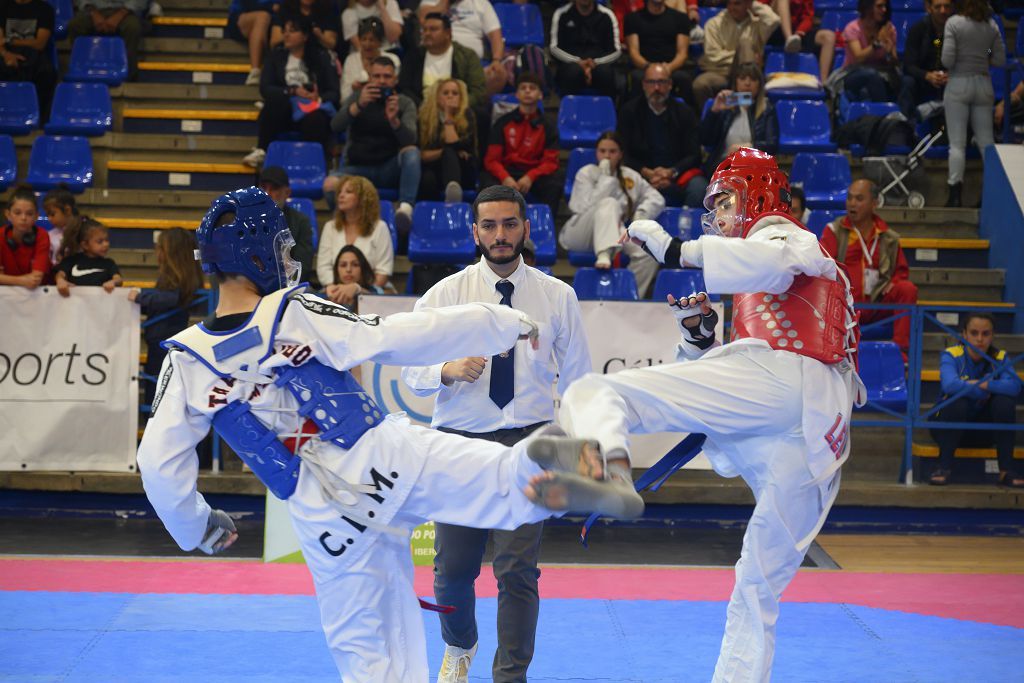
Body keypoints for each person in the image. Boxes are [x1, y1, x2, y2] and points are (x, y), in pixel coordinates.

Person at [136, 185, 638, 682]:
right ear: (258, 254)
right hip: (384, 455)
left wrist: (197, 526)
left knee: (368, 654)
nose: (286, 259)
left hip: (327, 516)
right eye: (280, 249)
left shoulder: (184, 362)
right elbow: (396, 336)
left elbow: (159, 466)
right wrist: (498, 321)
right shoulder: (296, 312)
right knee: (497, 478)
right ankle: (537, 464)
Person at [534, 147, 861, 683]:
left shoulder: (788, 237)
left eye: (727, 201)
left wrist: (676, 248)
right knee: (756, 585)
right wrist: (699, 339)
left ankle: (611, 466)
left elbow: (772, 266)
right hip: (811, 434)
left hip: (786, 386)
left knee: (597, 393)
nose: (720, 216)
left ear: (760, 195)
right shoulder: (768, 269)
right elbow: (732, 364)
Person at [401, 185, 593, 683]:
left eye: (510, 224)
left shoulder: (558, 297)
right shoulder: (445, 296)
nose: (500, 234)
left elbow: (578, 381)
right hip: (458, 444)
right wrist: (445, 369)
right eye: (489, 225)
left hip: (529, 443)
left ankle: (511, 675)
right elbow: (408, 369)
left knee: (518, 572)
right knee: (452, 575)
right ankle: (460, 645)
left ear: (526, 228)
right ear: (475, 232)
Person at [819, 178, 917, 357]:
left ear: (874, 204)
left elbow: (901, 272)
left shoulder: (888, 237)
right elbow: (823, 268)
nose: (852, 203)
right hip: (845, 304)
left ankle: (901, 355)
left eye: (859, 199)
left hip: (878, 303)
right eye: (849, 198)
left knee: (907, 289)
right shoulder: (833, 231)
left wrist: (894, 282)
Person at [560, 131, 665, 295]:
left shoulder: (630, 176)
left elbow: (657, 199)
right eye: (602, 151)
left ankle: (627, 295)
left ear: (621, 154)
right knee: (609, 203)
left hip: (614, 230)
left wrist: (640, 216)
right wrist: (605, 177)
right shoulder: (586, 173)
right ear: (596, 153)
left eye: (612, 151)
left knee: (649, 253)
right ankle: (604, 253)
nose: (607, 156)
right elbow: (582, 208)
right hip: (581, 231)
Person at [326, 57, 420, 234]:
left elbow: (411, 139)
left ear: (395, 79)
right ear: (369, 77)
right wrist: (358, 105)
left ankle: (405, 209)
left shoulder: (404, 102)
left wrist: (394, 121)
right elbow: (335, 126)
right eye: (377, 76)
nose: (382, 81)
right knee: (330, 184)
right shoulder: (357, 98)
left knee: (412, 153)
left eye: (387, 76)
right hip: (357, 170)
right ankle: (346, 220)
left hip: (389, 168)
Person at [929, 312, 1023, 487]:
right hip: (947, 427)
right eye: (974, 333)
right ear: (964, 334)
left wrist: (985, 385)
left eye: (986, 334)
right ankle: (943, 467)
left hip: (984, 432)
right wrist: (985, 388)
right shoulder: (951, 354)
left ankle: (1006, 472)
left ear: (992, 335)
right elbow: (950, 385)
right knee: (958, 401)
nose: (980, 339)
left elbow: (1015, 387)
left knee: (1005, 402)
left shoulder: (1000, 357)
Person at [246, 16, 340, 167]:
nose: (286, 35)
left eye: (293, 31)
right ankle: (262, 150)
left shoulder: (321, 58)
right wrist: (293, 91)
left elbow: (334, 92)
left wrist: (318, 98)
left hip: (310, 108)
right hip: (285, 107)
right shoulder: (275, 57)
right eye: (285, 31)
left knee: (317, 118)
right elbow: (265, 89)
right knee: (274, 103)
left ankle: (314, 162)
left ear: (305, 36)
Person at [128, 227, 205, 406]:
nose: (156, 253)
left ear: (172, 254)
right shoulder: (172, 277)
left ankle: (154, 422)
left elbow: (170, 299)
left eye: (160, 248)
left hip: (165, 341)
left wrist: (140, 298)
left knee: (158, 389)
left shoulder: (179, 280)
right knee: (154, 386)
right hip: (158, 340)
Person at [941, 0, 1005, 208]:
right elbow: (998, 59)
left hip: (959, 83)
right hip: (983, 85)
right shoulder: (991, 26)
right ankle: (992, 192)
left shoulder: (954, 23)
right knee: (987, 144)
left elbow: (947, 60)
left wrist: (963, 53)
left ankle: (955, 196)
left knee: (957, 144)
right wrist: (982, 53)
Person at [617, 63, 706, 207]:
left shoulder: (685, 113)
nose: (656, 88)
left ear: (670, 85)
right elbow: (623, 153)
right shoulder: (629, 112)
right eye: (651, 82)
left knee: (699, 188)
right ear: (644, 85)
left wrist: (671, 172)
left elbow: (694, 155)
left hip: (676, 175)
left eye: (661, 82)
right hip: (640, 174)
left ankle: (688, 227)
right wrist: (646, 172)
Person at [481, 71, 562, 217]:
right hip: (508, 171)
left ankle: (546, 227)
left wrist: (531, 176)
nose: (527, 91)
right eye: (523, 88)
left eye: (532, 88)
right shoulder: (502, 123)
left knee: (554, 184)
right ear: (517, 95)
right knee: (486, 182)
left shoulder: (548, 126)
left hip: (534, 174)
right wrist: (505, 177)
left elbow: (551, 162)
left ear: (540, 95)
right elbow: (492, 159)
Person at [316, 174, 394, 304]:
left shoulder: (380, 227)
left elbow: (383, 272)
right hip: (335, 293)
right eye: (340, 191)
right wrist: (338, 290)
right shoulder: (330, 227)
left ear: (363, 198)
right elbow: (323, 267)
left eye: (348, 192)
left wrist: (360, 290)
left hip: (371, 293)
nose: (341, 195)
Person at [693, 0, 779, 107]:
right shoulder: (714, 24)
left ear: (748, 5)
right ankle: (719, 114)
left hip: (748, 75)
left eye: (737, 3)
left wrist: (753, 4)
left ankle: (738, 107)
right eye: (729, 3)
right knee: (700, 84)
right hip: (720, 72)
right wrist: (746, 56)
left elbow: (774, 20)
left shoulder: (757, 24)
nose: (732, 7)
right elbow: (713, 56)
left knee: (745, 44)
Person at [398, 13, 486, 113]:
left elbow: (478, 92)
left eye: (433, 29)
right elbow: (405, 89)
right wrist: (426, 107)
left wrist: (458, 104)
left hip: (458, 111)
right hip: (422, 111)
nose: (427, 33)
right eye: (424, 30)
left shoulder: (467, 56)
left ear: (448, 33)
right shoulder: (413, 56)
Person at [415, 0, 506, 96]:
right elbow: (424, 19)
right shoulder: (430, 1)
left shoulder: (481, 3)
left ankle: (471, 105)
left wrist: (497, 60)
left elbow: (496, 36)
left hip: (471, 61)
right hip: (436, 55)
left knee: (498, 74)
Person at [700, 62, 779, 173]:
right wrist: (715, 111)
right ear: (736, 82)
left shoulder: (766, 109)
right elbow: (706, 140)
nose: (747, 83)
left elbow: (772, 146)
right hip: (724, 166)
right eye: (742, 78)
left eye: (752, 79)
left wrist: (747, 147)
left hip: (754, 167)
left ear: (759, 85)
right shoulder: (725, 107)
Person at [623, 0, 696, 106]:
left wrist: (668, 68)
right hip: (644, 67)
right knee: (637, 78)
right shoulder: (632, 18)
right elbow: (634, 53)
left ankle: (688, 118)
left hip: (671, 67)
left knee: (684, 79)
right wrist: (649, 67)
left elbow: (682, 54)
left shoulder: (681, 18)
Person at [418, 77, 477, 203]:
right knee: (428, 178)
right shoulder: (426, 118)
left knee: (449, 153)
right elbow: (422, 154)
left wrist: (448, 115)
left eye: (455, 93)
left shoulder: (468, 115)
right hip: (433, 169)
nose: (450, 96)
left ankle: (453, 196)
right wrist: (446, 151)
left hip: (463, 171)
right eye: (445, 93)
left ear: (461, 98)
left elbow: (463, 146)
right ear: (437, 97)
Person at [258, 165, 317, 288]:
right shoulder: (245, 221)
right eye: (264, 188)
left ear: (287, 192)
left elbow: (303, 267)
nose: (268, 194)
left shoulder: (301, 222)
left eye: (274, 188)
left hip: (289, 286)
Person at [550, 0, 622, 99]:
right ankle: (569, 112)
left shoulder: (607, 15)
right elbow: (554, 48)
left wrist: (595, 63)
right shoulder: (561, 14)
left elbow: (616, 51)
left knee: (605, 73)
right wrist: (578, 62)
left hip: (599, 64)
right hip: (570, 65)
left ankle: (606, 112)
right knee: (573, 72)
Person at [0, 0, 57, 121]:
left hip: (33, 55)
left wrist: (9, 41)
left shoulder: (45, 9)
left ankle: (40, 119)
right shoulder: (2, 7)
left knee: (47, 73)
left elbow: (40, 43)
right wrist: (6, 54)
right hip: (6, 53)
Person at [898, 0, 951, 121]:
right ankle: (906, 125)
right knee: (908, 81)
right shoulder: (917, 30)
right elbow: (908, 65)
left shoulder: (959, 30)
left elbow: (987, 50)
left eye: (947, 6)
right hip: (923, 80)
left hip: (950, 79)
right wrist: (927, 75)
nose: (943, 11)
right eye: (938, 7)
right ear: (929, 8)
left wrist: (952, 74)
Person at [839, 0, 899, 103]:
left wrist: (889, 53)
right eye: (880, 6)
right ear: (868, 8)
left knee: (905, 79)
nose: (884, 10)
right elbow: (858, 58)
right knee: (871, 75)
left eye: (885, 6)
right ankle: (883, 114)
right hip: (853, 73)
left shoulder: (889, 29)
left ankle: (904, 115)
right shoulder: (853, 28)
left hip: (882, 71)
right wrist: (877, 43)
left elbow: (893, 62)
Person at [66, 0, 143, 81]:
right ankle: (80, 71)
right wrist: (93, 12)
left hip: (126, 11)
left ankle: (128, 75)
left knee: (133, 27)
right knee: (74, 26)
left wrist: (121, 13)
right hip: (93, 9)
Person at [763, 0, 835, 82]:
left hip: (797, 31)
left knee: (829, 36)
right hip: (773, 28)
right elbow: (760, 9)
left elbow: (808, 17)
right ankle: (789, 38)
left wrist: (799, 32)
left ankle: (823, 83)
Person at [54, 219, 122, 295]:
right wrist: (60, 280)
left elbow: (118, 279)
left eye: (107, 240)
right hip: (74, 304)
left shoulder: (109, 263)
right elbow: (60, 274)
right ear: (85, 245)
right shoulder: (71, 260)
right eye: (100, 241)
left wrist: (113, 282)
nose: (106, 244)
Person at [0, 183, 50, 288]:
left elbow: (35, 279)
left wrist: (6, 279)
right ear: (8, 214)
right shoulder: (0, 235)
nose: (23, 218)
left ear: (36, 216)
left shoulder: (42, 236)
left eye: (29, 214)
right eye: (17, 213)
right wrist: (21, 281)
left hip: (39, 295)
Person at [341, 16, 400, 102]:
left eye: (372, 40)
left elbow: (395, 89)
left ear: (380, 42)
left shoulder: (393, 59)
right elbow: (344, 98)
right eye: (364, 39)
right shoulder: (351, 61)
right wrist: (354, 90)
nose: (367, 44)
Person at [324, 244, 387, 313]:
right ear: (336, 270)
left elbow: (381, 304)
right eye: (343, 265)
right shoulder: (328, 291)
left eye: (355, 265)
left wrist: (358, 289)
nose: (348, 269)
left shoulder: (376, 290)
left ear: (363, 268)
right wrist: (325, 295)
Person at [225, 0, 274, 85]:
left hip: (275, 21)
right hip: (244, 17)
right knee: (263, 17)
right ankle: (255, 71)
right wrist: (271, 6)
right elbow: (247, 4)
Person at [270, 0, 341, 53]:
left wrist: (319, 36)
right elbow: (274, 42)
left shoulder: (328, 9)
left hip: (318, 55)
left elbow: (331, 44)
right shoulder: (286, 7)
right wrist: (293, 34)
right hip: (288, 53)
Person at [42, 185, 81, 267]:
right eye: (47, 215)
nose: (49, 219)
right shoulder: (49, 235)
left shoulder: (83, 231)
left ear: (67, 210)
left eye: (52, 214)